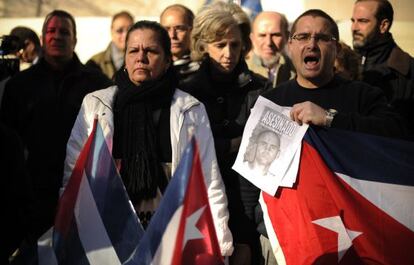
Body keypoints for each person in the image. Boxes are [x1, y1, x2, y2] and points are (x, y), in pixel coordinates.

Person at [62, 20, 233, 257]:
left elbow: (209, 180)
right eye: (133, 50)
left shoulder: (190, 110)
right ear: (125, 57)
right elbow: (74, 176)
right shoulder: (96, 105)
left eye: (151, 51)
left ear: (167, 60)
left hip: (169, 239)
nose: (140, 57)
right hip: (109, 240)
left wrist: (220, 249)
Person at [258, 8, 408, 264]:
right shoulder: (271, 102)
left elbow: (395, 136)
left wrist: (330, 119)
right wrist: (263, 225)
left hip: (355, 235)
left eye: (322, 38)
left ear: (336, 48)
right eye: (303, 37)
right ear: (291, 46)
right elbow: (253, 173)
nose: (312, 44)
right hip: (287, 234)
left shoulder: (363, 95)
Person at [0, 10, 112, 242]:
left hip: (85, 192)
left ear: (75, 39)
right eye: (51, 31)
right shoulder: (19, 86)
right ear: (42, 39)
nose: (57, 37)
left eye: (64, 32)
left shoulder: (98, 84)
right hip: (32, 194)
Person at [180, 2, 268, 264]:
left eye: (235, 44)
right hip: (200, 208)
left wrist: (244, 234)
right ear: (204, 46)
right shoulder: (186, 93)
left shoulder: (260, 89)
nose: (228, 53)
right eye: (220, 45)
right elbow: (187, 150)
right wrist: (232, 145)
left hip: (249, 207)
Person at [351, 0, 414, 138]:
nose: (354, 27)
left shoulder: (407, 71)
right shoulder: (343, 65)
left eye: (362, 21)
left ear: (383, 25)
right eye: (353, 20)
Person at [247, 11, 295, 89]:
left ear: (286, 36)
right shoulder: (240, 72)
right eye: (262, 35)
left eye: (275, 35)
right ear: (252, 38)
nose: (269, 42)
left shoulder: (298, 73)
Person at [86, 11, 134, 79]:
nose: (125, 35)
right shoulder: (95, 63)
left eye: (130, 30)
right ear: (112, 32)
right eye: (119, 30)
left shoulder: (144, 60)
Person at [160, 4, 198, 79]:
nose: (172, 35)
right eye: (166, 29)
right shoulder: (153, 68)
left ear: (192, 30)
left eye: (179, 28)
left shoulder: (205, 70)